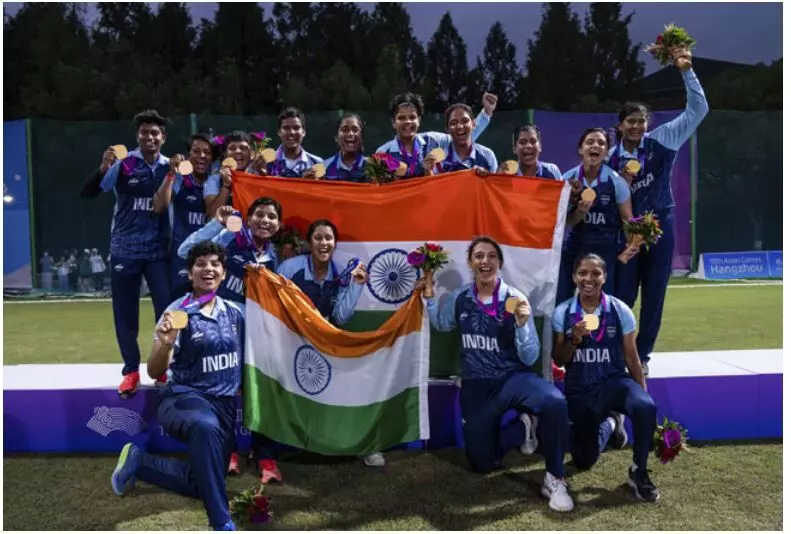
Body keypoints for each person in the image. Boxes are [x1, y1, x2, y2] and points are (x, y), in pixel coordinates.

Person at [420, 236, 574, 512]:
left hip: (512, 379)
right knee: (482, 463)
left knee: (554, 402)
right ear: (470, 263)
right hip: (476, 386)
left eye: (492, 256)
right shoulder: (460, 298)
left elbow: (530, 357)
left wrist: (523, 325)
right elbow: (442, 324)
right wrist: (429, 294)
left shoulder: (514, 299)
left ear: (499, 263)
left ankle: (555, 477)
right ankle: (523, 427)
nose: (485, 261)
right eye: (479, 256)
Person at [110, 241, 244, 531]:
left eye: (215, 264)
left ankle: (140, 462)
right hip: (183, 398)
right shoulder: (178, 313)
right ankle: (222, 522)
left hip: (223, 407)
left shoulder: (235, 313)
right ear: (190, 273)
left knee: (202, 481)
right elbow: (154, 370)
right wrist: (166, 344)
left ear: (224, 273)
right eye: (200, 264)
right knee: (205, 428)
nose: (208, 269)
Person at [610, 45, 708, 376]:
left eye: (641, 121)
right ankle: (616, 353)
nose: (636, 127)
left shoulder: (662, 139)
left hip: (659, 229)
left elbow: (698, 110)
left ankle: (643, 356)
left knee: (654, 297)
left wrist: (686, 70)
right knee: (621, 296)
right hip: (625, 235)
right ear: (620, 126)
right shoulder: (609, 157)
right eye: (630, 122)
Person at [269, 219, 383, 473]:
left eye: (328, 238)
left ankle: (365, 444)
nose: (324, 243)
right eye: (318, 238)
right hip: (292, 344)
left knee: (357, 380)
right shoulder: (290, 268)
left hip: (326, 344)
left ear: (335, 243)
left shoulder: (342, 272)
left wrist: (357, 285)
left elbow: (340, 317)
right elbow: (275, 309)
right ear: (309, 243)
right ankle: (271, 447)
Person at [179, 198, 281, 480]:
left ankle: (265, 456)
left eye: (271, 216)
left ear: (278, 224)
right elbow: (186, 252)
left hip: (259, 335)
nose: (265, 220)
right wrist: (218, 225)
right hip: (224, 332)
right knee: (224, 392)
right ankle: (229, 452)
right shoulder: (231, 240)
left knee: (260, 391)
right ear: (248, 219)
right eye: (259, 214)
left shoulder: (275, 257)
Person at [552, 253, 659, 502]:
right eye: (582, 273)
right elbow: (559, 359)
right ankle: (611, 424)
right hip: (581, 390)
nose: (588, 279)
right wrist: (574, 338)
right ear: (574, 277)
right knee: (583, 460)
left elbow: (632, 357)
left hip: (613, 382)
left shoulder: (620, 310)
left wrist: (644, 397)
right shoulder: (563, 312)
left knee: (645, 407)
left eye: (595, 273)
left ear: (605, 277)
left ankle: (639, 471)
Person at [80, 109, 172, 395]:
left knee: (167, 313)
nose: (149, 137)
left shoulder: (170, 166)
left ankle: (162, 368)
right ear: (138, 136)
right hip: (125, 249)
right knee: (125, 313)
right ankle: (131, 371)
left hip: (158, 251)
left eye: (155, 133)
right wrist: (104, 166)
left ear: (163, 137)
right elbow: (93, 190)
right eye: (144, 132)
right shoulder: (125, 163)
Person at [557, 128, 633, 303]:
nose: (595, 146)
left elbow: (628, 220)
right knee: (561, 297)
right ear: (580, 149)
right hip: (576, 246)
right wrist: (579, 213)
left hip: (607, 248)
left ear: (606, 152)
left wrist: (630, 248)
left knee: (606, 302)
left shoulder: (616, 182)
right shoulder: (567, 180)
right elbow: (563, 221)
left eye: (601, 143)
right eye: (590, 142)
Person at [375, 92, 497, 178]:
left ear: (419, 120)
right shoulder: (383, 153)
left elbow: (461, 136)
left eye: (412, 117)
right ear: (393, 122)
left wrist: (486, 113)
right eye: (402, 118)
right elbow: (376, 190)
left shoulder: (433, 140)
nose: (408, 122)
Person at [153, 134, 215, 299]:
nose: (202, 156)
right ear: (188, 155)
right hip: (182, 254)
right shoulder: (180, 178)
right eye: (196, 151)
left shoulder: (217, 182)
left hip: (211, 255)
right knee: (181, 303)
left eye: (207, 152)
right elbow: (159, 207)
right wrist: (171, 174)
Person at [203, 131, 266, 218]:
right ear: (225, 154)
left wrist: (264, 176)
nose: (238, 151)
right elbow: (212, 214)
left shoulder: (259, 177)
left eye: (243, 148)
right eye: (232, 148)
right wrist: (225, 186)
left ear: (251, 153)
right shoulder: (214, 180)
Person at [424, 103, 498, 176]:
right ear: (447, 129)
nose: (460, 126)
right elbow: (433, 184)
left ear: (473, 124)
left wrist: (487, 177)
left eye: (465, 121)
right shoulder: (437, 161)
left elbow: (495, 183)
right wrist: (428, 171)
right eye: (454, 123)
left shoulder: (488, 156)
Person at [265, 108, 323, 178]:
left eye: (296, 128)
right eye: (286, 128)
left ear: (303, 132)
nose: (291, 132)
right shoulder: (266, 163)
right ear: (279, 132)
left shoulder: (316, 163)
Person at [323, 113, 367, 182]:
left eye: (355, 130)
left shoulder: (374, 168)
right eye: (344, 130)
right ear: (336, 137)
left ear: (362, 137)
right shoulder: (323, 167)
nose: (350, 134)